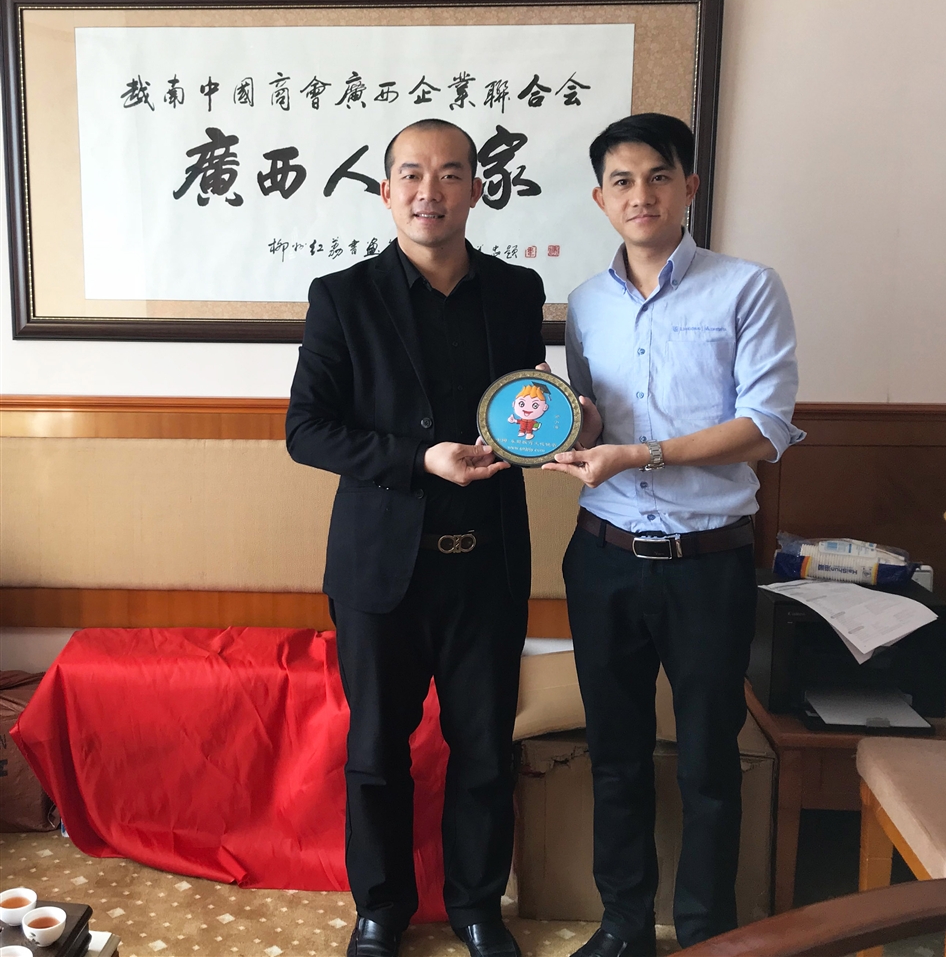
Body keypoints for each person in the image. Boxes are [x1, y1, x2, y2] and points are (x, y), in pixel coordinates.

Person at [542, 113, 804, 956]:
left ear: (688, 186)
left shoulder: (746, 288)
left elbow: (764, 427)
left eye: (658, 176)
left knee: (706, 762)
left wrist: (640, 454)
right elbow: (592, 420)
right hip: (603, 556)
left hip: (707, 563)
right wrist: (563, 429)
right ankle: (624, 928)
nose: (640, 194)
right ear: (599, 199)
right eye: (620, 181)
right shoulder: (585, 303)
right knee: (614, 755)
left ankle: (704, 934)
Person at [286, 118, 546, 957]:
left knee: (484, 748)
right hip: (379, 570)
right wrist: (416, 459)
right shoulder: (343, 296)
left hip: (488, 564)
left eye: (449, 174)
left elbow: (524, 407)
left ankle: (476, 908)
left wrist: (557, 423)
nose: (428, 190)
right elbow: (306, 430)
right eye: (410, 174)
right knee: (375, 750)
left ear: (476, 188)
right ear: (385, 191)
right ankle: (380, 909)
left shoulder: (515, 292)